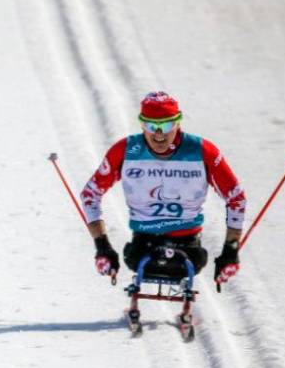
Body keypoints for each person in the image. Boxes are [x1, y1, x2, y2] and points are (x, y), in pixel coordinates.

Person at [80, 91, 246, 284]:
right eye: (151, 126)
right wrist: (102, 247)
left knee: (190, 259)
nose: (159, 134)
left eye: (166, 125)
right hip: (143, 244)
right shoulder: (126, 150)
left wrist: (230, 251)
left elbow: (236, 197)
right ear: (142, 125)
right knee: (136, 257)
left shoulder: (202, 151)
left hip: (188, 247)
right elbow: (90, 193)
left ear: (178, 123)